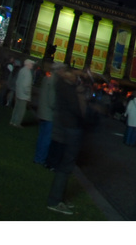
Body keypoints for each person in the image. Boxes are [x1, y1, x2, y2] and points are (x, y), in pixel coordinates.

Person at [45, 65, 92, 214]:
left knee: (66, 164)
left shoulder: (63, 83)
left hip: (67, 127)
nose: (76, 77)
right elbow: (76, 109)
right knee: (66, 165)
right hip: (70, 128)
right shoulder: (66, 86)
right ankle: (55, 200)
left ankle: (59, 198)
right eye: (74, 74)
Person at [33, 60, 58, 166]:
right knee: (46, 139)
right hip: (49, 114)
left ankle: (37, 157)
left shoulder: (46, 78)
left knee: (41, 136)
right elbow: (52, 101)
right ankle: (41, 159)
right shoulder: (53, 81)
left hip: (42, 112)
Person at [11, 59, 36, 126]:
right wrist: (27, 94)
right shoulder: (28, 73)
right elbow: (26, 85)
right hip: (23, 95)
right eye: (31, 64)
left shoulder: (22, 70)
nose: (32, 65)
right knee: (21, 110)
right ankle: (17, 123)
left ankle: (13, 121)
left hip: (18, 92)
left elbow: (18, 81)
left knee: (16, 108)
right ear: (28, 64)